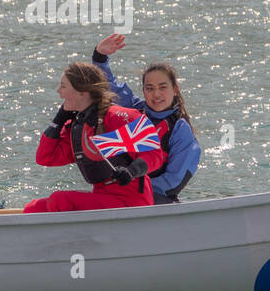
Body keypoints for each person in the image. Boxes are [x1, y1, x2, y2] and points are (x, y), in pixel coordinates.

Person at [22, 62, 165, 214]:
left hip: (131, 201)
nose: (58, 91)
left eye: (63, 86)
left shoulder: (118, 117)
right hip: (103, 197)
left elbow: (154, 155)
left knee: (60, 200)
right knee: (33, 208)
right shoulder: (77, 126)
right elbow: (45, 158)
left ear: (82, 91)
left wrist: (131, 171)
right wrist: (59, 119)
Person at [91, 34, 201, 205]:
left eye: (162, 87)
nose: (156, 94)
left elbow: (174, 182)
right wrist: (99, 56)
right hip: (122, 193)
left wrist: (135, 187)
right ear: (143, 91)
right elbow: (108, 86)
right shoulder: (133, 110)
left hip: (157, 200)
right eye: (150, 88)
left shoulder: (181, 129)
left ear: (175, 89)